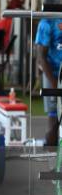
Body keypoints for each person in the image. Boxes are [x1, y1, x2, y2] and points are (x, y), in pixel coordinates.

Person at [35, 17, 62, 146]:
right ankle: (52, 148)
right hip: (52, 72)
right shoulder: (46, 23)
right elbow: (41, 56)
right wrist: (55, 84)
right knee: (54, 116)